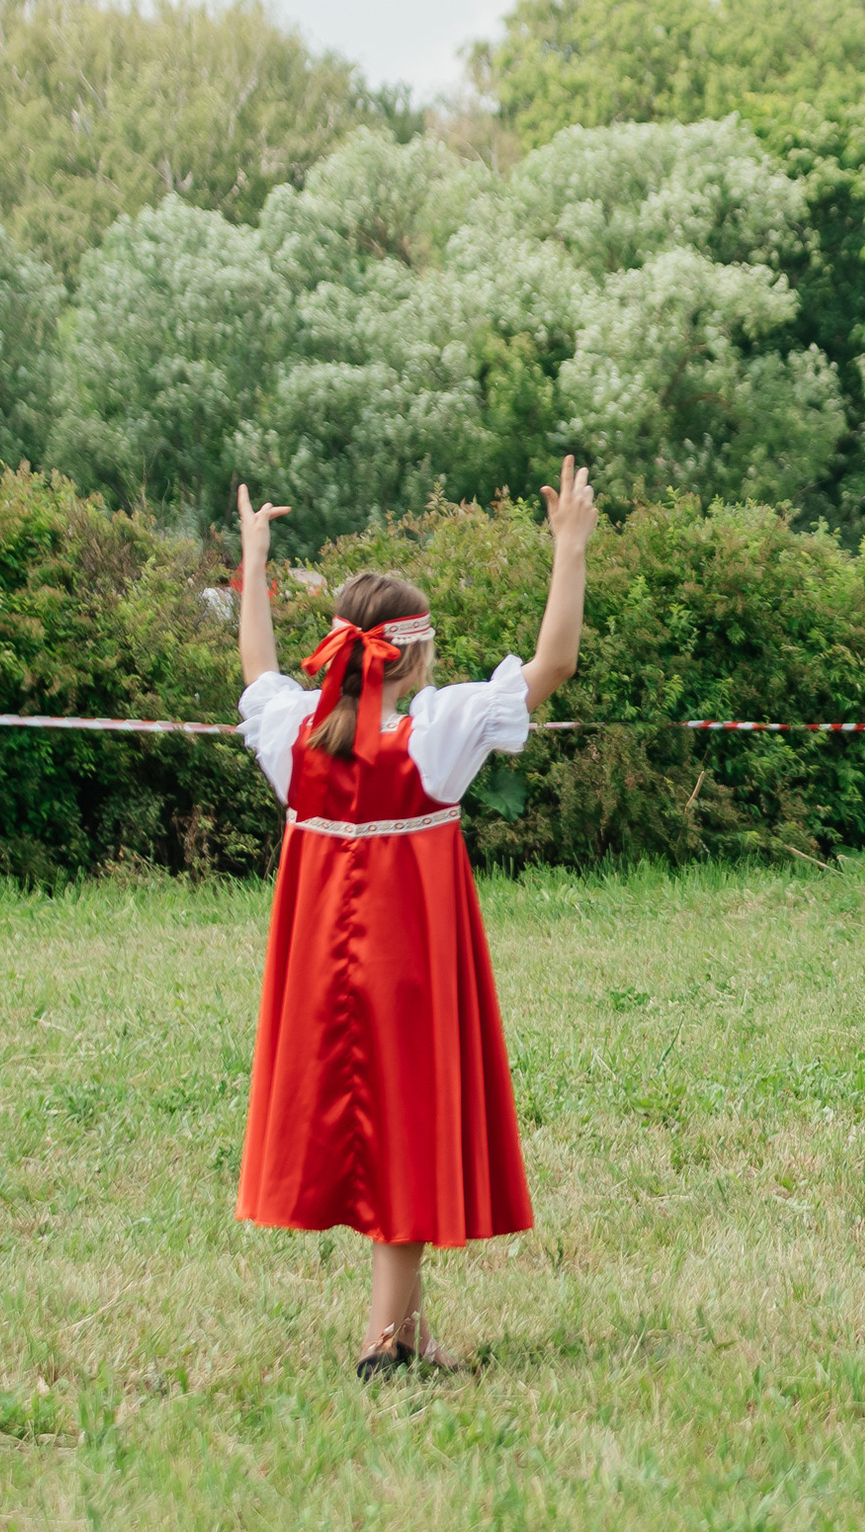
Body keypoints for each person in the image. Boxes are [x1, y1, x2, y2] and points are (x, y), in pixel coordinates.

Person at [230, 458, 595, 1378]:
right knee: (400, 1132)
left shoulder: (292, 734)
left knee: (368, 1121)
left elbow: (258, 669)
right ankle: (384, 1339)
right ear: (416, 655)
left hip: (320, 960)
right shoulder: (441, 727)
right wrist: (570, 548)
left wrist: (255, 558)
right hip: (408, 956)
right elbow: (554, 664)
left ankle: (412, 1325)